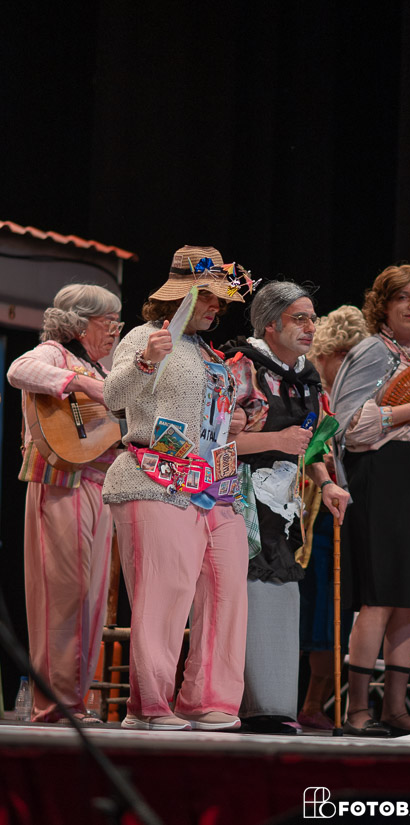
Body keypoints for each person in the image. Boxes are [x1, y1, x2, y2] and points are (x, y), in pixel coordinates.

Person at [102, 245, 251, 731]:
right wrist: (146, 360)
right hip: (155, 477)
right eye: (208, 297)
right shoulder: (146, 335)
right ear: (181, 295)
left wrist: (236, 418)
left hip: (213, 484)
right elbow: (112, 397)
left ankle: (206, 699)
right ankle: (148, 706)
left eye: (220, 300)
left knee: (227, 590)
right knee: (165, 592)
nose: (216, 307)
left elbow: (208, 416)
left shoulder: (207, 351)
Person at [222, 281, 350, 735]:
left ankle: (274, 706)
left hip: (284, 505)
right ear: (270, 324)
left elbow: (310, 445)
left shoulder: (307, 378)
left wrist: (326, 483)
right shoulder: (240, 368)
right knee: (245, 597)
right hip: (236, 501)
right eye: (299, 318)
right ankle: (240, 704)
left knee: (281, 594)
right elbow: (216, 442)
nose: (310, 327)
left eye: (312, 318)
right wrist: (277, 439)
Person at [331, 263, 410, 739]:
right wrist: (407, 412)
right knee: (379, 596)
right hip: (375, 477)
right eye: (403, 297)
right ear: (383, 306)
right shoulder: (370, 351)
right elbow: (346, 427)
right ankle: (358, 708)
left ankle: (397, 709)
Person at [7, 284, 123, 724]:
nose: (114, 330)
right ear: (79, 323)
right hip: (60, 481)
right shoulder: (55, 352)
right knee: (62, 593)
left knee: (90, 598)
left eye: (117, 321)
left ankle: (73, 700)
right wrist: (85, 384)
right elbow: (19, 369)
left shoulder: (104, 367)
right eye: (107, 321)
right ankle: (54, 703)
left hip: (99, 484)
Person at [296, 305, 368, 730]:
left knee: (331, 612)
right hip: (299, 513)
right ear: (322, 353)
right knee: (298, 609)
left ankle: (312, 704)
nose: (346, 365)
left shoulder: (356, 396)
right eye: (341, 354)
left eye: (353, 356)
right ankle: (270, 700)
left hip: (337, 512)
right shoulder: (304, 388)